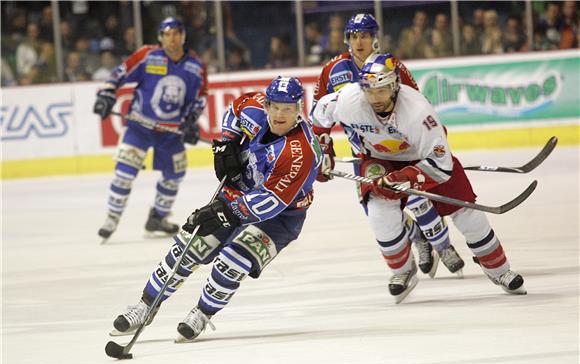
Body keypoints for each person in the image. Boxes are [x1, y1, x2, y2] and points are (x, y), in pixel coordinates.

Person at [110, 76, 321, 341]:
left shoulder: (297, 153)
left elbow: (269, 203)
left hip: (280, 217)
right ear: (266, 104)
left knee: (231, 262)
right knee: (189, 247)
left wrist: (224, 212)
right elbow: (235, 110)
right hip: (237, 192)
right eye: (275, 106)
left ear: (299, 109)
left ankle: (202, 313)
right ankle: (145, 305)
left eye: (288, 109)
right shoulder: (254, 109)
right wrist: (227, 142)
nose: (280, 114)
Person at [312, 53, 526, 303]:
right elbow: (319, 115)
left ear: (394, 86)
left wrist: (406, 177)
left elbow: (441, 165)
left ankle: (500, 271)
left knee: (469, 214)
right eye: (369, 90)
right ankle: (402, 272)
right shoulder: (349, 99)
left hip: (422, 159)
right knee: (380, 212)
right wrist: (322, 150)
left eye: (381, 90)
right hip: (378, 158)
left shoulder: (418, 112)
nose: (375, 98)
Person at [311, 13, 464, 279]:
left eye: (366, 35)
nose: (360, 42)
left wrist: (435, 139)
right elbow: (320, 116)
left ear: (376, 39)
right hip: (366, 149)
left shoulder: (392, 66)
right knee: (377, 206)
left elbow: (417, 102)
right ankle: (419, 239)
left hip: (404, 148)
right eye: (355, 36)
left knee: (415, 196)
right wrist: (324, 152)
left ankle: (443, 245)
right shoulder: (332, 70)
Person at [94, 17, 207, 241]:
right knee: (124, 174)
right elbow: (120, 72)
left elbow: (200, 98)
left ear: (183, 36)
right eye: (167, 34)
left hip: (171, 132)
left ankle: (158, 216)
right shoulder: (147, 55)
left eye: (176, 33)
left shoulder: (196, 67)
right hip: (139, 126)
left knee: (174, 175)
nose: (172, 38)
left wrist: (191, 122)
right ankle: (112, 217)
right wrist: (107, 94)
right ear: (160, 37)